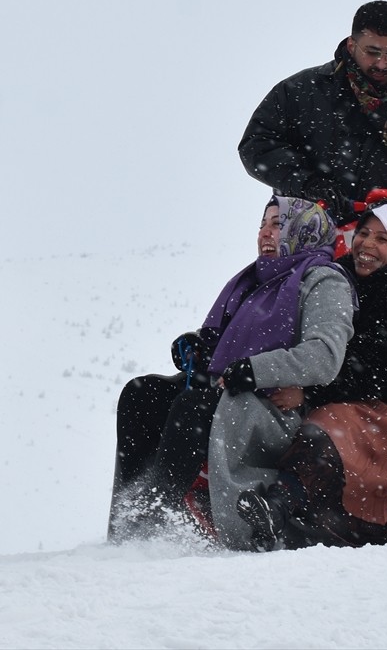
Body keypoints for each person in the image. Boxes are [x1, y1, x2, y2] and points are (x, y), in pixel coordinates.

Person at [108, 196, 354, 541]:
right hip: (231, 389)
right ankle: (130, 519)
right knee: (142, 393)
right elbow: (229, 340)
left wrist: (255, 370)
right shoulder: (256, 279)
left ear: (304, 232)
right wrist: (199, 344)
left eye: (278, 225)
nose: (265, 233)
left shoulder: (325, 281)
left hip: (276, 410)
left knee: (194, 408)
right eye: (262, 225)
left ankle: (156, 523)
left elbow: (323, 355)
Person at [225, 201, 387, 551]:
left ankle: (278, 508)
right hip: (347, 407)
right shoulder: (336, 278)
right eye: (363, 233)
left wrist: (308, 393)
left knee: (324, 427)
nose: (366, 244)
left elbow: (371, 373)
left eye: (382, 239)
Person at [238, 0, 387, 227]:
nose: (382, 64)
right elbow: (256, 145)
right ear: (352, 45)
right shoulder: (301, 90)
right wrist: (307, 183)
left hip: (382, 242)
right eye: (372, 52)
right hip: (304, 234)